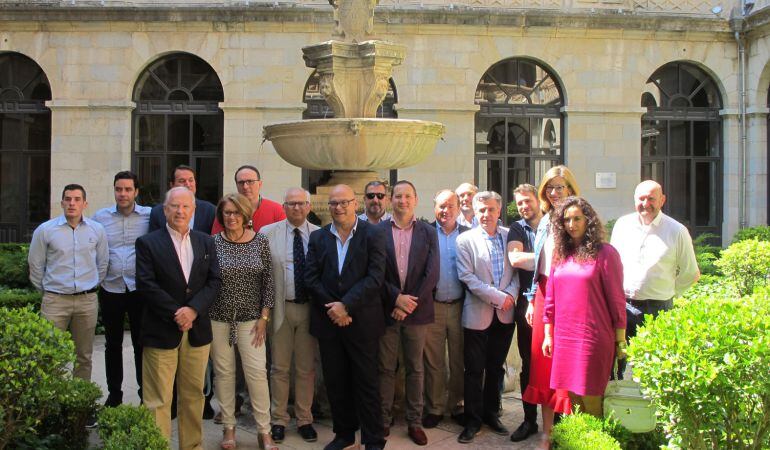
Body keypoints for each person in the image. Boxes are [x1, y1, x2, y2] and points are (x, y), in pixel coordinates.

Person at [136, 186, 221, 449]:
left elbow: (215, 281)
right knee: (158, 398)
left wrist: (193, 310)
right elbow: (146, 284)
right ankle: (158, 445)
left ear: (193, 210)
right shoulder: (148, 243)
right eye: (174, 206)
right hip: (161, 329)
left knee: (193, 395)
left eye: (185, 206)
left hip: (197, 332)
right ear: (164, 210)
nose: (180, 211)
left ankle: (191, 446)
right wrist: (177, 312)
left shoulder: (206, 241)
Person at [305, 184, 387, 450]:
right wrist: (334, 308)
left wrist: (346, 306)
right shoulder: (318, 238)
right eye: (333, 203)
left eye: (343, 202)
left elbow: (375, 277)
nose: (338, 208)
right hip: (330, 323)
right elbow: (311, 278)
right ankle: (344, 435)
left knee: (367, 383)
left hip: (361, 321)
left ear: (355, 204)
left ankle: (373, 439)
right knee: (336, 382)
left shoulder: (373, 234)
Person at [542, 196, 627, 417]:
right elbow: (550, 297)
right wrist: (548, 335)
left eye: (577, 218)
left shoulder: (606, 253)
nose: (572, 225)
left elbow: (617, 299)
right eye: (567, 220)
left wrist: (620, 339)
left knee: (592, 399)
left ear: (588, 220)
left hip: (593, 337)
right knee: (573, 402)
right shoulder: (560, 254)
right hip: (565, 337)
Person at [610, 180, 699, 378]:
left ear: (662, 200)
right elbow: (612, 265)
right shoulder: (622, 225)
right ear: (634, 200)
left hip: (658, 309)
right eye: (641, 198)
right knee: (618, 366)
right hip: (623, 307)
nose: (646, 203)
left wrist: (668, 291)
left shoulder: (676, 231)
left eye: (651, 198)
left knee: (656, 369)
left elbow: (691, 273)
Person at [209, 193, 277, 450]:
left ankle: (264, 431)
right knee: (224, 374)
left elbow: (268, 282)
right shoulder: (213, 243)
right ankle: (228, 428)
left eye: (236, 212)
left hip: (252, 321)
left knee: (257, 374)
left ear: (245, 215)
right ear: (221, 216)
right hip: (219, 319)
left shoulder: (260, 241)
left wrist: (264, 317)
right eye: (227, 213)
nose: (232, 217)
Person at [377, 180, 440, 446]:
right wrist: (396, 299)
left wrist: (410, 302)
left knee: (416, 369)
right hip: (387, 310)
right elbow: (374, 271)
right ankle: (382, 421)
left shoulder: (428, 232)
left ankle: (414, 422)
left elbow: (432, 272)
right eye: (398, 196)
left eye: (407, 196)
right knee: (385, 368)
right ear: (391, 199)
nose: (402, 201)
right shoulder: (377, 232)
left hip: (417, 312)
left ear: (415, 200)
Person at [455, 191, 519, 444]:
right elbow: (467, 277)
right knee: (473, 370)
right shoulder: (465, 240)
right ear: (474, 210)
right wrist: (498, 297)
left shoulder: (509, 236)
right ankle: (472, 420)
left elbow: (516, 273)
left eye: (491, 209)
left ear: (499, 211)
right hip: (477, 314)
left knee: (495, 368)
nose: (486, 214)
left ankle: (491, 414)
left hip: (505, 314)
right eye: (481, 209)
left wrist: (510, 296)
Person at [28, 183, 109, 384]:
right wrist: (48, 291)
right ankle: (51, 404)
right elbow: (35, 265)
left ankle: (79, 404)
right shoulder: (45, 231)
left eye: (77, 199)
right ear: (62, 202)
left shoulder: (97, 230)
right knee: (49, 355)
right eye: (68, 199)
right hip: (55, 301)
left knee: (84, 356)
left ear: (85, 203)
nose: (72, 203)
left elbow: (103, 263)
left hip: (86, 301)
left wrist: (90, 286)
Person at [522, 165, 577, 448]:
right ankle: (547, 433)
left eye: (561, 187)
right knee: (542, 367)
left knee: (567, 366)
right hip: (543, 293)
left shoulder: (577, 219)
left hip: (569, 298)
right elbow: (540, 266)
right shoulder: (544, 220)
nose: (555, 193)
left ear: (570, 189)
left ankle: (569, 431)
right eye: (550, 188)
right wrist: (532, 299)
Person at [261, 188, 320, 444]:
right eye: (291, 204)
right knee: (279, 368)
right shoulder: (268, 233)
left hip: (309, 309)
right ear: (283, 207)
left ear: (308, 207)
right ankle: (278, 419)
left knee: (306, 368)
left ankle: (305, 418)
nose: (296, 208)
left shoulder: (320, 235)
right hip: (280, 309)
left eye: (301, 204)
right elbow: (261, 274)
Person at [92, 171, 151, 407]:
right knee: (112, 344)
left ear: (136, 192)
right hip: (111, 287)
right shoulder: (100, 217)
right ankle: (114, 394)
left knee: (141, 343)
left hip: (139, 289)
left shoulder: (149, 216)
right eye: (119, 189)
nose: (123, 194)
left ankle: (144, 394)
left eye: (128, 189)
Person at [422, 189, 469, 429]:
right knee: (433, 361)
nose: (445, 210)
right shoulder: (426, 233)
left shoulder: (468, 235)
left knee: (459, 360)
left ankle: (458, 406)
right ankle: (434, 407)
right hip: (434, 306)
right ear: (434, 208)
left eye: (451, 206)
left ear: (459, 208)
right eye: (441, 206)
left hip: (462, 306)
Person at [505, 184, 542, 442]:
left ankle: (558, 419)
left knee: (554, 363)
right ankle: (529, 420)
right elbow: (515, 260)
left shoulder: (553, 224)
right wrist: (551, 256)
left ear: (538, 200)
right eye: (519, 204)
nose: (524, 207)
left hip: (554, 303)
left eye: (527, 201)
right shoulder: (518, 228)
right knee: (528, 363)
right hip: (526, 307)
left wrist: (533, 257)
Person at [211, 165, 285, 234]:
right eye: (241, 182)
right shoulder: (226, 210)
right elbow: (216, 242)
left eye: (250, 182)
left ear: (260, 184)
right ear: (236, 185)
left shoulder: (277, 210)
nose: (245, 186)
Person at [149, 164, 216, 234]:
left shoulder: (210, 211)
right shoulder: (157, 212)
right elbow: (153, 242)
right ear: (172, 185)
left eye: (191, 180)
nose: (188, 184)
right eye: (182, 181)